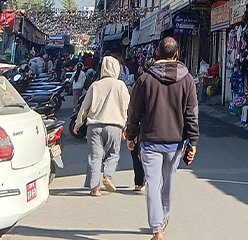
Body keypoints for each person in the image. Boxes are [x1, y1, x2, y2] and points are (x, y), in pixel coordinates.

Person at [124, 37, 199, 240]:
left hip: (149, 141)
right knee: (168, 182)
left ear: (157, 54)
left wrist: (131, 135)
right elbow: (192, 113)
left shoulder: (145, 80)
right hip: (175, 142)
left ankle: (157, 228)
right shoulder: (187, 79)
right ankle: (163, 218)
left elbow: (134, 112)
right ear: (176, 55)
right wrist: (193, 142)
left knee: (153, 184)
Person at [74, 56, 130, 196]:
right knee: (113, 154)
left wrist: (78, 123)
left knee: (95, 157)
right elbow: (127, 107)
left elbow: (84, 107)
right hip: (115, 125)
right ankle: (108, 177)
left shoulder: (95, 85)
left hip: (95, 126)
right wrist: (126, 127)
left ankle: (95, 189)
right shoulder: (121, 86)